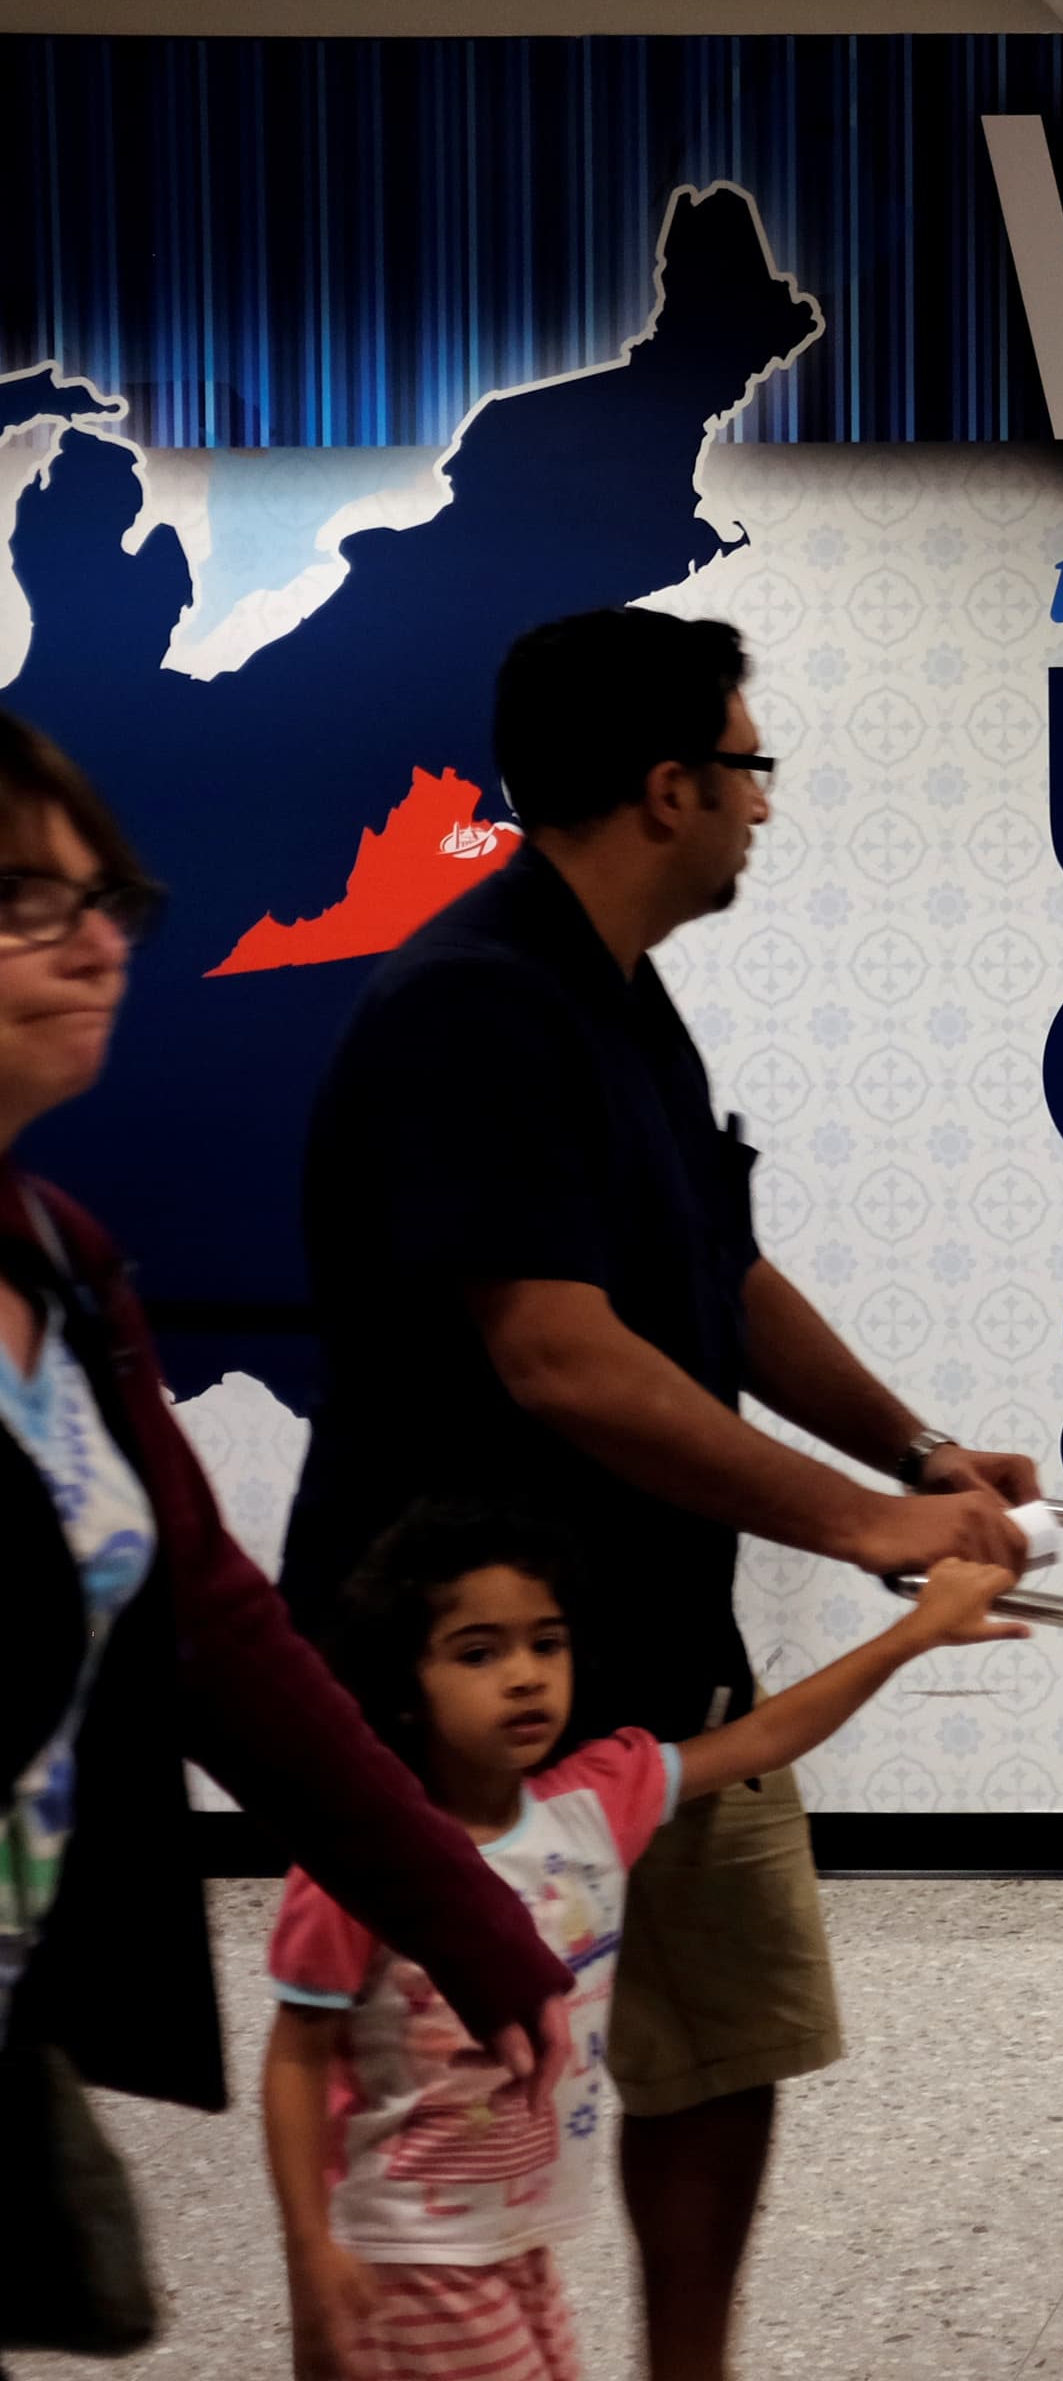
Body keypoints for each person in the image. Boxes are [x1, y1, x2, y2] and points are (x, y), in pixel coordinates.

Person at [277, 610, 1039, 2381]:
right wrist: (861, 1532)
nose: (766, 809)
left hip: (658, 1632)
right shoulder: (475, 1006)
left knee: (728, 2028)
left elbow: (721, 1274)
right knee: (442, 2102)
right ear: (669, 785)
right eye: (750, 769)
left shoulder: (622, 1003)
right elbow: (556, 1348)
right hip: (476, 1667)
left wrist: (914, 1456)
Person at [0, 712, 568, 2365]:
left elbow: (214, 1631)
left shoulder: (55, 1258)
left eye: (110, 898)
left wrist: (468, 1920)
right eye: (28, 900)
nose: (101, 944)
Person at [268, 1506, 1021, 2381]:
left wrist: (913, 1635)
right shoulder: (364, 1860)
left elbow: (766, 1735)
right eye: (478, 1653)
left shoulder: (591, 1804)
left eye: (545, 1644)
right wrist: (310, 2249)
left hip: (522, 2237)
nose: (524, 1677)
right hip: (410, 2254)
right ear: (403, 1682)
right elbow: (296, 2056)